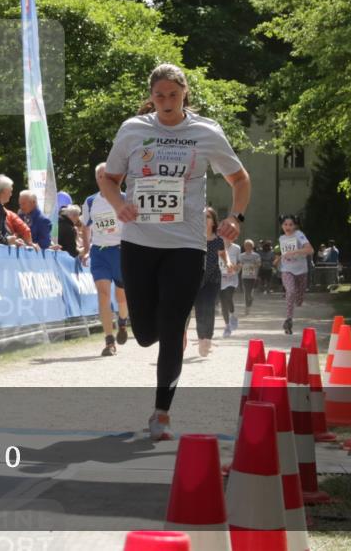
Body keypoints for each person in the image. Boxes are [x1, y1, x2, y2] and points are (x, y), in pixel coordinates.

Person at [99, 63, 249, 441]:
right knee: (147, 333)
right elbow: (108, 176)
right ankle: (156, 327)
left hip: (186, 244)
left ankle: (161, 412)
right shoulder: (134, 130)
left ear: (185, 94)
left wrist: (236, 216)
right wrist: (118, 203)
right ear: (150, 96)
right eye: (159, 95)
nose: (166, 102)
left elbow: (239, 178)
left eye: (173, 94)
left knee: (170, 328)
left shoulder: (205, 132)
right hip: (139, 242)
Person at [81, 163, 131, 357]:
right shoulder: (91, 201)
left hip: (121, 251)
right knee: (103, 293)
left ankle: (123, 323)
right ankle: (109, 341)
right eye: (100, 176)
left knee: (121, 297)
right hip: (100, 252)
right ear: (96, 179)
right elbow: (86, 226)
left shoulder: (126, 198)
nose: (103, 179)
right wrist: (86, 250)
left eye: (107, 175)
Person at [193, 208, 230, 356]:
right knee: (199, 309)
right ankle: (201, 338)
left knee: (209, 307)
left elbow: (223, 254)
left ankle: (208, 338)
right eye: (202, 217)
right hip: (195, 279)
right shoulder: (195, 238)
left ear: (214, 221)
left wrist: (228, 264)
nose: (204, 219)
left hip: (213, 279)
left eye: (207, 217)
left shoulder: (218, 240)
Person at [274, 214, 313, 334]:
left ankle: (298, 300)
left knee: (299, 300)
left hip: (301, 271)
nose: (288, 227)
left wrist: (296, 251)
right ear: (282, 225)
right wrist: (278, 259)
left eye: (290, 224)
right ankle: (288, 320)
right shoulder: (281, 238)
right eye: (285, 224)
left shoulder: (299, 235)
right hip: (287, 270)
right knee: (290, 291)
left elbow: (310, 250)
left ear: (295, 225)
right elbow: (284, 253)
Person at [219, 236, 241, 338]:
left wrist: (234, 267)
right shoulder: (217, 247)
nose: (226, 239)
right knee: (223, 303)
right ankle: (227, 326)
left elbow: (240, 263)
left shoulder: (236, 248)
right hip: (220, 278)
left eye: (229, 236)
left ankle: (232, 315)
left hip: (232, 278)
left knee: (228, 297)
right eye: (223, 237)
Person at [239, 239, 261, 315]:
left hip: (253, 276)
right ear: (244, 246)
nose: (248, 247)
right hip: (244, 276)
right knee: (246, 292)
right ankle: (247, 307)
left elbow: (259, 264)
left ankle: (250, 301)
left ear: (252, 246)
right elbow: (240, 264)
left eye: (250, 245)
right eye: (246, 245)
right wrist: (241, 266)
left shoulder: (256, 255)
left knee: (250, 292)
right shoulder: (241, 255)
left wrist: (251, 266)